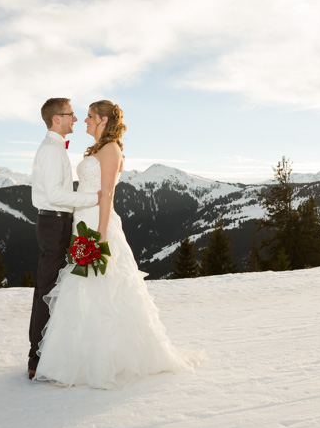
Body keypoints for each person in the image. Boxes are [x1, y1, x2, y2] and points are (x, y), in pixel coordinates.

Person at [34, 100, 197, 389]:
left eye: (89, 117)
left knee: (100, 288)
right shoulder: (95, 150)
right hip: (80, 223)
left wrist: (101, 234)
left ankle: (102, 359)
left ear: (103, 120)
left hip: (96, 224)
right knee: (79, 289)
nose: (84, 120)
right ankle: (77, 355)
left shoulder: (111, 150)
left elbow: (106, 194)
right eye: (81, 116)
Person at [28, 98, 100, 380]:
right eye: (71, 114)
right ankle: (37, 358)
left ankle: (47, 353)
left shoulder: (55, 148)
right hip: (53, 223)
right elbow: (56, 195)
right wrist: (94, 198)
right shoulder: (50, 150)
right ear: (57, 118)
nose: (75, 118)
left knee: (52, 287)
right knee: (47, 290)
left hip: (58, 222)